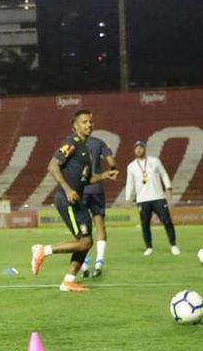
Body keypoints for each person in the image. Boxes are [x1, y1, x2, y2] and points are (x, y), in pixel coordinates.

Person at [31, 109, 116, 292]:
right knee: (84, 242)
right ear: (75, 125)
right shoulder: (71, 143)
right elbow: (52, 166)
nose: (89, 125)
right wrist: (67, 188)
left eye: (91, 122)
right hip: (67, 198)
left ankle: (68, 281)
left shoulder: (85, 149)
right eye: (84, 122)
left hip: (77, 199)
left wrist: (104, 175)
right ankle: (43, 250)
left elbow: (87, 179)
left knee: (86, 242)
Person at [124, 140, 179, 256]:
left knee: (167, 221)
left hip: (158, 197)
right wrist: (128, 197)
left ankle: (173, 245)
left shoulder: (155, 161)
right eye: (136, 148)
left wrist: (168, 188)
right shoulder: (131, 166)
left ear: (145, 149)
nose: (138, 150)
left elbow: (164, 174)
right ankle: (149, 247)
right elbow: (130, 183)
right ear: (134, 150)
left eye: (141, 147)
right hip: (142, 200)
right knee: (145, 225)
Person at [79, 128, 117, 277]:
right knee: (100, 226)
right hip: (97, 189)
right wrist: (113, 169)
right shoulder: (100, 142)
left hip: (81, 189)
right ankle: (99, 262)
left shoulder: (74, 143)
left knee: (83, 229)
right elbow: (111, 160)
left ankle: (84, 262)